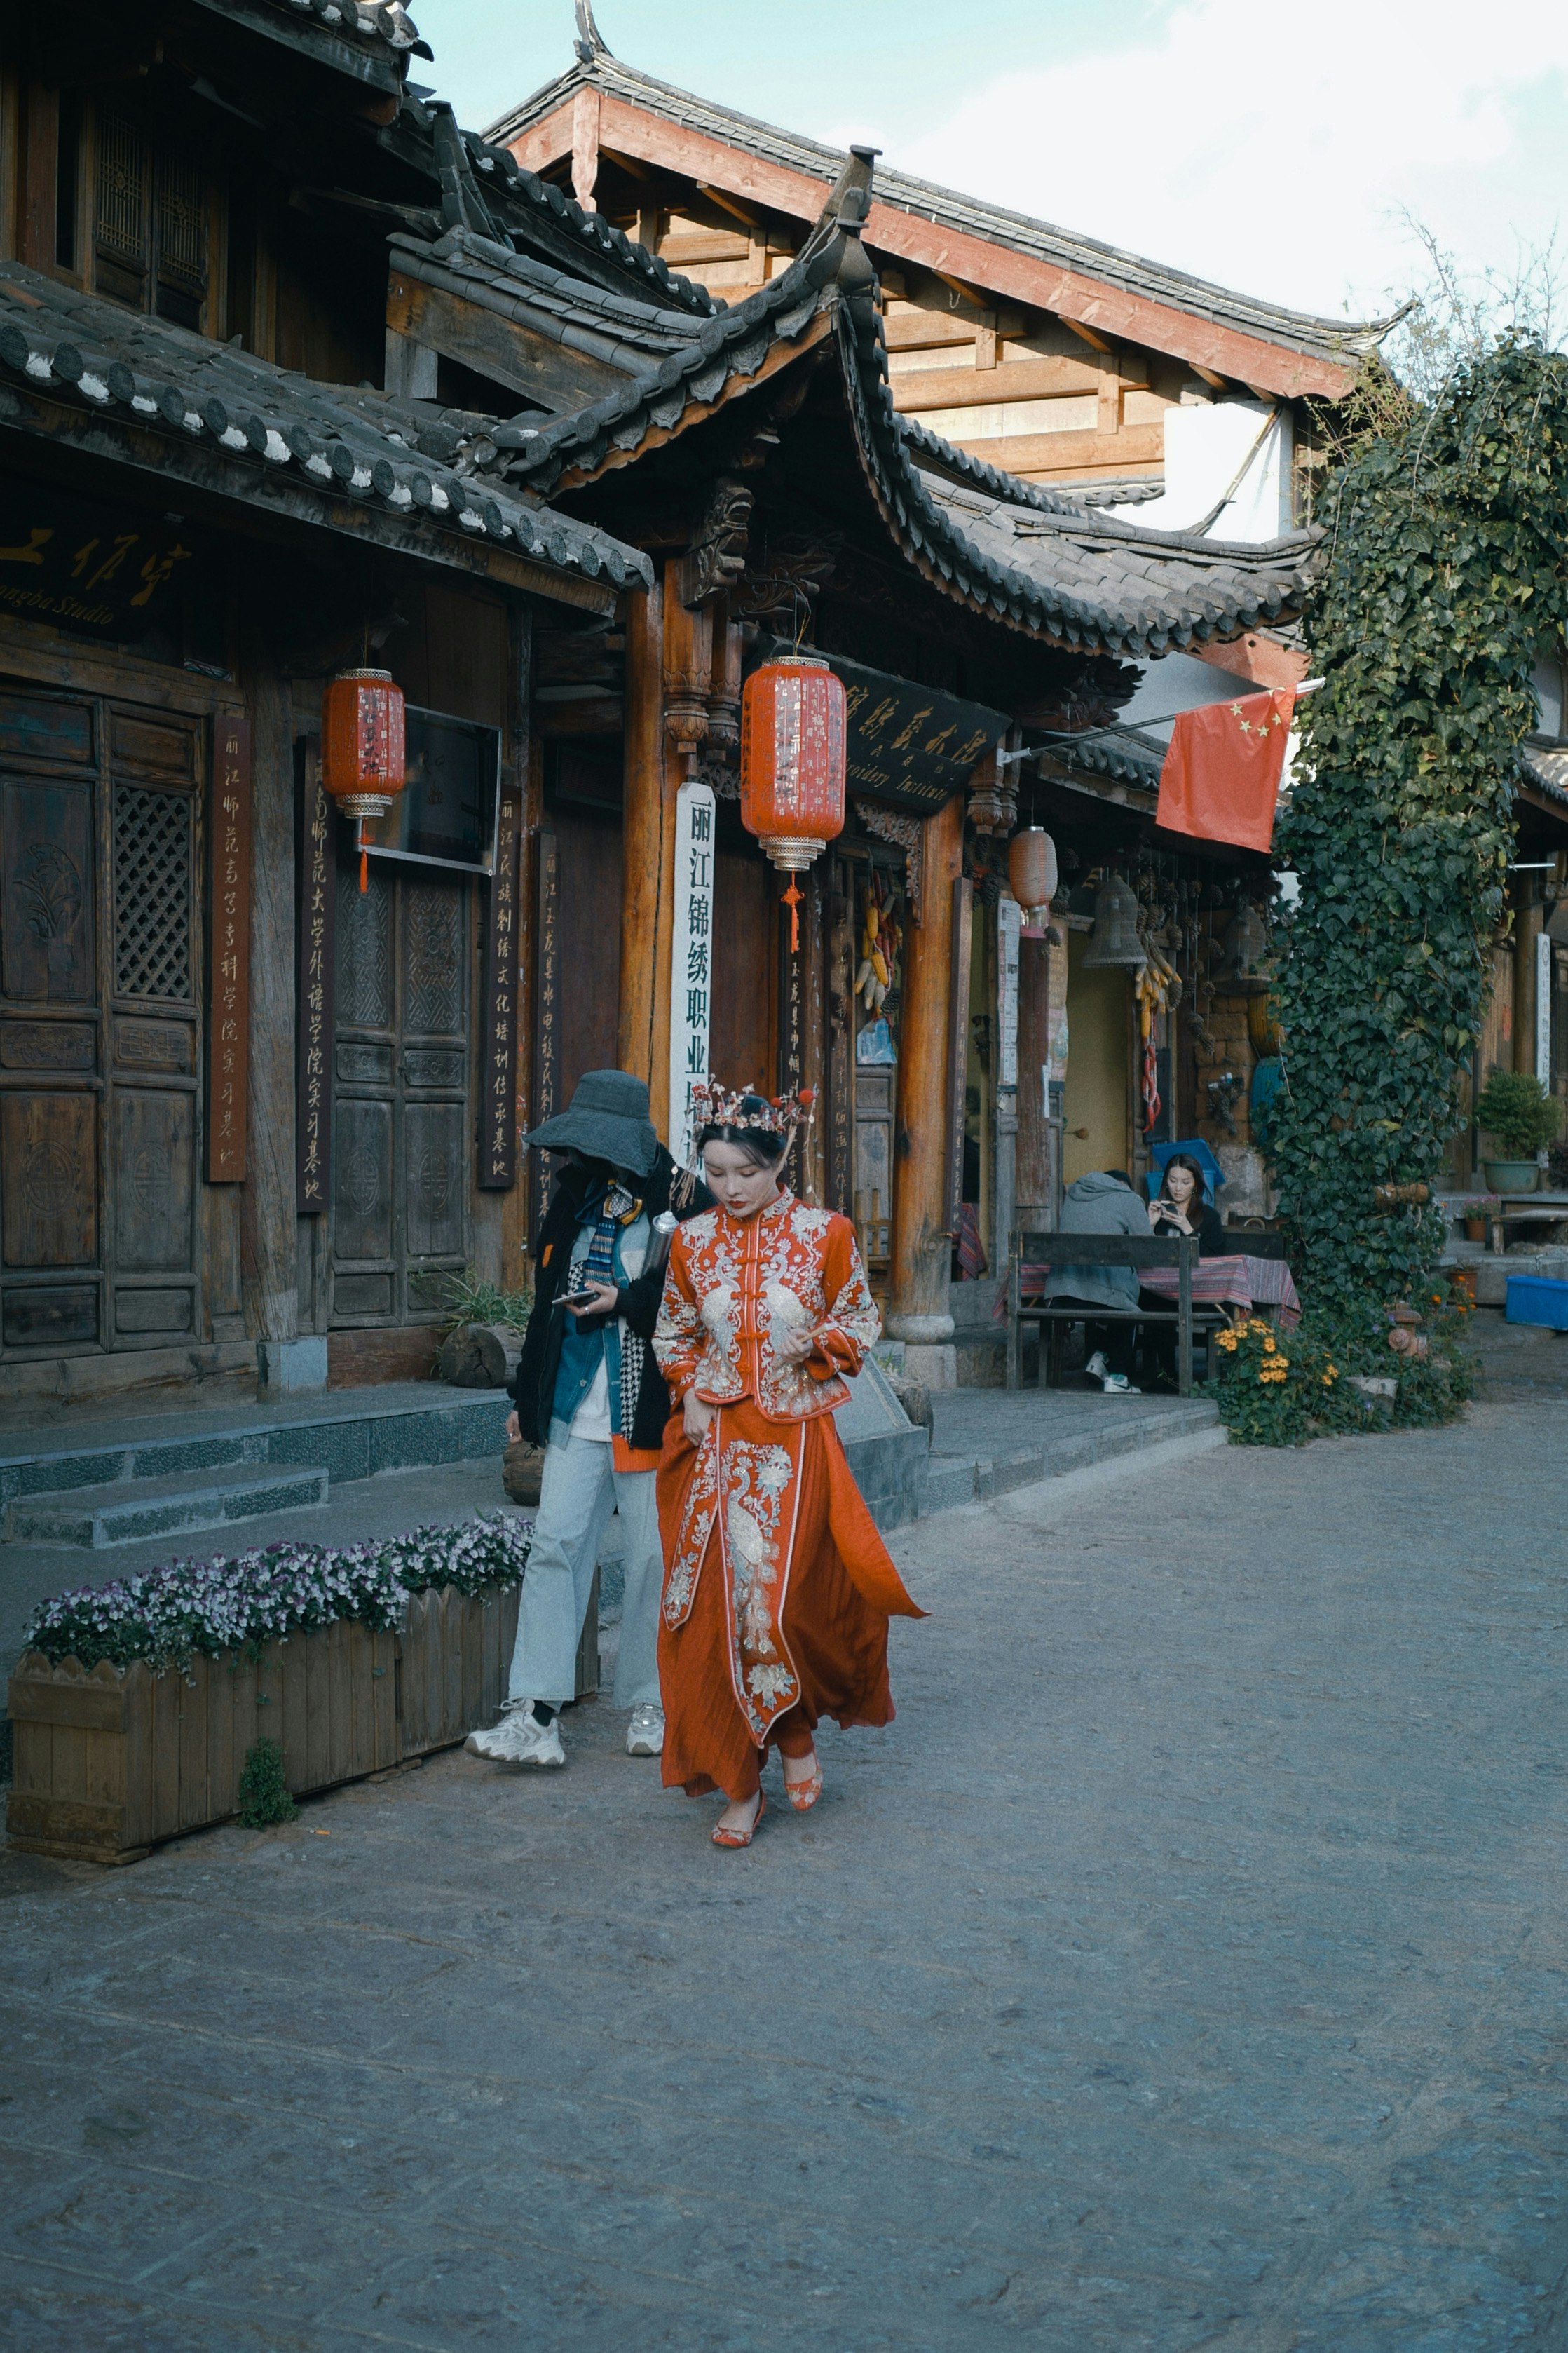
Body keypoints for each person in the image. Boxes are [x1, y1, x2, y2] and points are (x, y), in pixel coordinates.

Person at [652, 1084, 925, 1848]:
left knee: (771, 1608)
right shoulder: (689, 1241)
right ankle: (740, 1784)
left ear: (778, 1164)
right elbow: (672, 1330)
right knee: (707, 1615)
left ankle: (796, 1727)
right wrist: (689, 1388)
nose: (729, 1188)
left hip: (790, 1442)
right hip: (709, 1443)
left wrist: (812, 1344)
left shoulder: (824, 1233)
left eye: (744, 1171)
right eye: (714, 1172)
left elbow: (859, 1316)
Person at [465, 1070, 709, 1770]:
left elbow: (695, 1302)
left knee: (650, 1561)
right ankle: (535, 1712)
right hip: (576, 1402)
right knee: (555, 1544)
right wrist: (524, 1400)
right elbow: (545, 1301)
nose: (582, 1160)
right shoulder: (571, 1197)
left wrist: (625, 1299)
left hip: (649, 1411)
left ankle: (651, 1699)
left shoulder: (685, 1200)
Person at [1039, 1168, 1147, 1394]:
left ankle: (1101, 1356)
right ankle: (1118, 1377)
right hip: (1103, 1296)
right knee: (1127, 1304)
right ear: (1122, 1185)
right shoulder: (1129, 1198)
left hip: (1060, 1295)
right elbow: (1148, 1250)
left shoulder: (1073, 1195)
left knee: (1108, 1294)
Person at [1142, 1150, 1227, 1388]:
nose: (1178, 1188)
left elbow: (1216, 1260)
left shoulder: (1209, 1217)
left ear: (1196, 1185)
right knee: (1148, 1300)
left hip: (1198, 1290)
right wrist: (1148, 1226)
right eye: (1172, 1180)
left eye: (1185, 1182)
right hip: (1159, 1290)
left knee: (1160, 1304)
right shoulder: (1159, 1214)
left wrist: (1190, 1230)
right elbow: (1142, 1258)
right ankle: (1165, 1374)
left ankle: (1169, 1376)